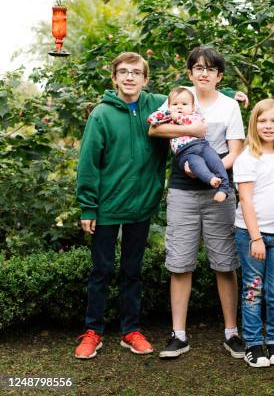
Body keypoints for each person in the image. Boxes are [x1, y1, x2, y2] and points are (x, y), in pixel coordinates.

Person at [75, 52, 187, 359]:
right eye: (123, 72)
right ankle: (93, 332)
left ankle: (130, 330)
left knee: (132, 271)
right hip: (107, 207)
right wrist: (88, 206)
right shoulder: (102, 114)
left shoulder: (157, 106)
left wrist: (231, 94)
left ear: (145, 79)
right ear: (114, 78)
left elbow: (191, 98)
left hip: (141, 205)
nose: (129, 77)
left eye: (136, 72)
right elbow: (88, 163)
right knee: (101, 270)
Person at [149, 46, 246, 359]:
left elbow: (235, 150)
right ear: (190, 72)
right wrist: (192, 129)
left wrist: (210, 172)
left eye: (211, 69)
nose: (204, 73)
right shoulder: (179, 97)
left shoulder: (230, 106)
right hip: (181, 190)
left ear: (219, 76)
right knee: (180, 263)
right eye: (198, 68)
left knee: (225, 263)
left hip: (218, 187)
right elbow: (155, 127)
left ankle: (232, 332)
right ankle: (178, 334)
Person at [233, 99, 274, 368]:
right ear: (254, 124)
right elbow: (245, 200)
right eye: (262, 120)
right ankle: (253, 344)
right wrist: (256, 238)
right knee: (253, 290)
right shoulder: (247, 158)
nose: (268, 126)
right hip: (252, 235)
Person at [148, 87, 230, 202]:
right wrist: (168, 113)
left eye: (184, 104)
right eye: (175, 104)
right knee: (196, 164)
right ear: (169, 106)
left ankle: (223, 188)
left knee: (215, 161)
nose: (179, 107)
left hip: (202, 145)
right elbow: (151, 120)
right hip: (184, 153)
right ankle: (211, 179)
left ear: (193, 107)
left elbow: (197, 124)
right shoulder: (168, 119)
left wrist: (179, 117)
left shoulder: (196, 115)